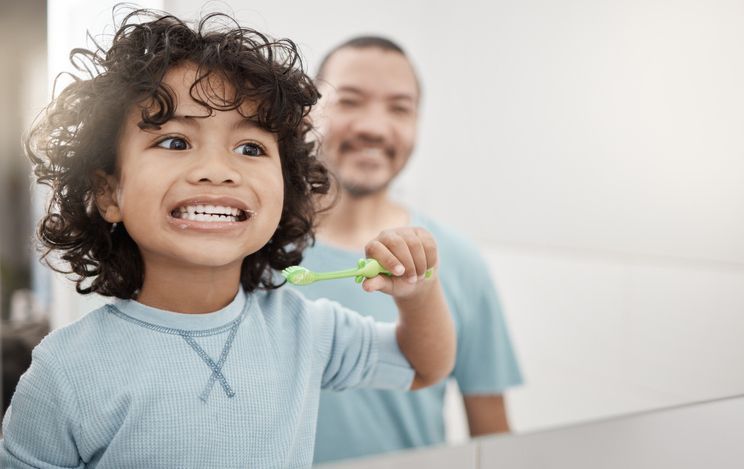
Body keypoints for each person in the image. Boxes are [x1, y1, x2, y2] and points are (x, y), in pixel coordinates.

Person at [0, 11, 456, 468]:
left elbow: (423, 366)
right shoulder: (65, 370)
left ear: (285, 187)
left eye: (250, 148)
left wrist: (419, 294)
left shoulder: (305, 330)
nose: (218, 171)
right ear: (108, 192)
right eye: (176, 142)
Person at [298, 36, 524, 463]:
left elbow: (494, 436)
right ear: (308, 112)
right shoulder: (252, 251)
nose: (374, 127)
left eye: (399, 108)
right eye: (349, 101)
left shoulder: (457, 260)